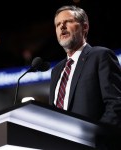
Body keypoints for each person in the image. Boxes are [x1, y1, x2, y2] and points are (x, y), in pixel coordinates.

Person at [49, 5, 121, 150]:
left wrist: (94, 137)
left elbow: (116, 104)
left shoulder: (100, 56)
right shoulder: (56, 71)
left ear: (85, 27)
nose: (62, 26)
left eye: (68, 21)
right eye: (58, 24)